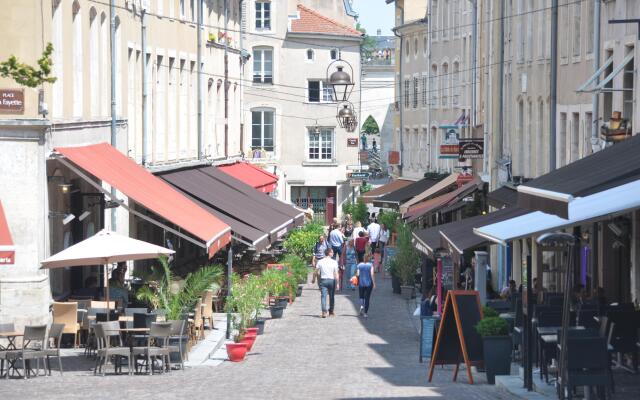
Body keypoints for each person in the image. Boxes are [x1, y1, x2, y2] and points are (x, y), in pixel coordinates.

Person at [315, 248, 339, 318]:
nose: (333, 253)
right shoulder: (334, 262)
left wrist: (314, 279)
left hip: (323, 280)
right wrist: (337, 283)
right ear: (329, 253)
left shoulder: (320, 261)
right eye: (332, 252)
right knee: (331, 297)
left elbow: (316, 271)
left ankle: (324, 312)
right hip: (332, 280)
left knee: (323, 297)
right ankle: (331, 312)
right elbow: (336, 274)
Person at [356, 253, 376, 318]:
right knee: (367, 298)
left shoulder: (359, 265)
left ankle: (361, 306)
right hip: (369, 283)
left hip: (361, 283)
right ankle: (365, 313)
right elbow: (372, 274)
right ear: (369, 258)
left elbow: (358, 274)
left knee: (361, 297)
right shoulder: (370, 265)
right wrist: (374, 283)